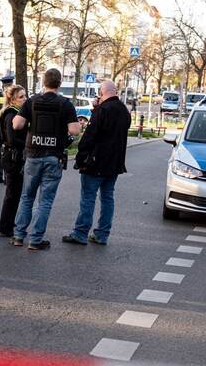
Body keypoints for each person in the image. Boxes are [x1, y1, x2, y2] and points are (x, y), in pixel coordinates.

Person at [11, 68, 81, 250]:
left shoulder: (32, 101)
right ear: (59, 84)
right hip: (53, 157)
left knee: (26, 197)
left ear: (44, 82)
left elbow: (17, 124)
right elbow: (74, 130)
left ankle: (18, 236)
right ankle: (35, 240)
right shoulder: (65, 104)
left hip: (32, 155)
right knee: (45, 201)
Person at [62, 80, 130, 246]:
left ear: (102, 92)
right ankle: (102, 234)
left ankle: (80, 233)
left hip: (95, 163)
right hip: (114, 164)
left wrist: (80, 157)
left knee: (88, 198)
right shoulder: (124, 111)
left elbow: (89, 138)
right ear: (115, 91)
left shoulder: (102, 111)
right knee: (107, 198)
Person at [0, 84, 27, 237]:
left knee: (15, 192)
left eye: (25, 95)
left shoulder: (17, 113)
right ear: (13, 100)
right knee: (12, 193)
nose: (25, 99)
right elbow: (12, 138)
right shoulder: (10, 115)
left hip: (15, 156)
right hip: (12, 157)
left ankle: (9, 222)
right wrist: (28, 143)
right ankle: (5, 226)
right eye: (21, 97)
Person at [0, 75, 15, 183]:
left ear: (2, 84)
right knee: (8, 151)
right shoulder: (12, 97)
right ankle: (7, 177)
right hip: (8, 127)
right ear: (11, 84)